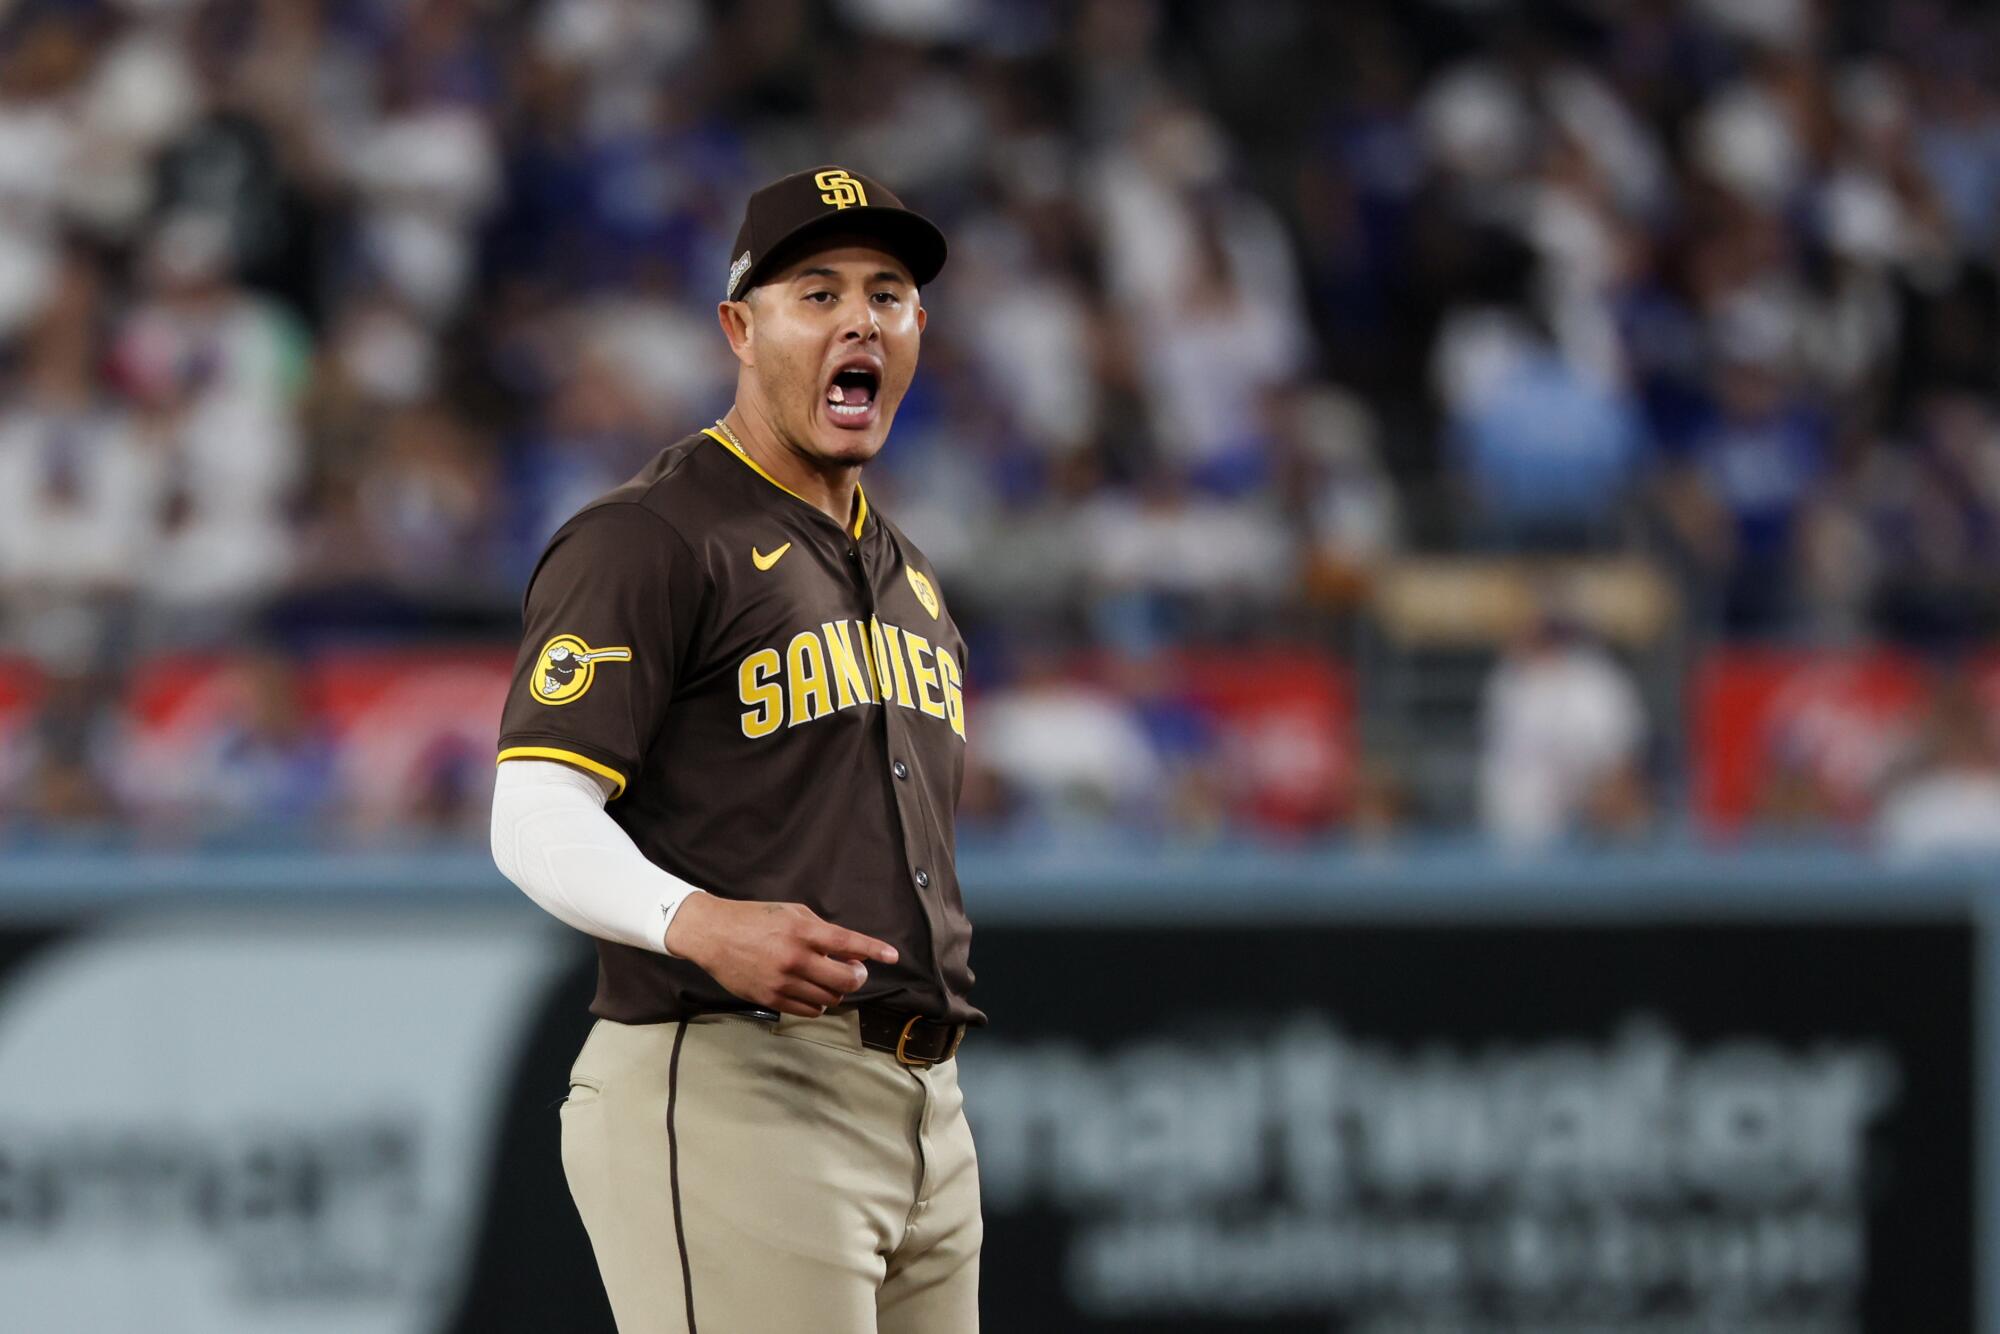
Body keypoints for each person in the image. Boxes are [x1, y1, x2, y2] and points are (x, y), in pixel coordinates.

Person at [490, 167, 981, 1333]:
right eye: (816, 292)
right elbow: (533, 814)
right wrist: (695, 919)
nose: (861, 318)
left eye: (889, 293)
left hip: (924, 1104)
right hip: (729, 1078)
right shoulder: (650, 537)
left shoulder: (906, 576)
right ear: (738, 326)